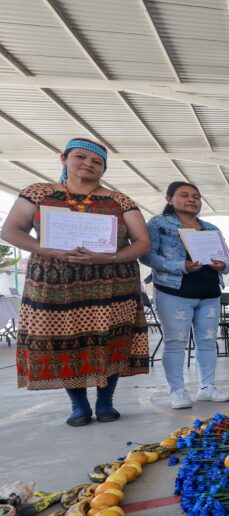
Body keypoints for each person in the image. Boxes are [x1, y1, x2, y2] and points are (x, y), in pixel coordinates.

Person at [0, 138, 150, 426]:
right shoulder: (39, 193)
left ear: (104, 168)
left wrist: (111, 258)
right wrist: (47, 249)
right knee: (67, 343)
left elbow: (142, 242)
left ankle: (105, 402)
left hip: (112, 286)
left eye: (97, 162)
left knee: (111, 340)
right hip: (56, 288)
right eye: (80, 157)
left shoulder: (119, 200)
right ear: (64, 159)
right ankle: (78, 405)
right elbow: (10, 230)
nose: (88, 164)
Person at [142, 181, 229, 409]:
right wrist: (179, 265)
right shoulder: (158, 224)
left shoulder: (211, 228)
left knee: (208, 341)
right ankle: (177, 391)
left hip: (209, 292)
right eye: (185, 195)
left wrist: (223, 265)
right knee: (175, 342)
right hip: (174, 291)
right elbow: (147, 256)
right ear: (169, 199)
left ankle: (207, 387)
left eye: (196, 196)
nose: (192, 199)